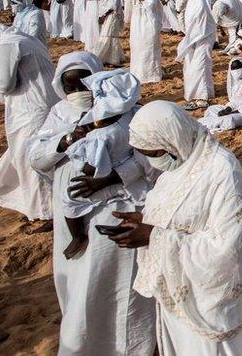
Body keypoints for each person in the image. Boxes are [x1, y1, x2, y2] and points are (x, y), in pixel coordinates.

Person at [29, 52, 156, 355]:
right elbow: (36, 157)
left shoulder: (126, 111)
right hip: (72, 209)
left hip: (116, 210)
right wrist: (66, 141)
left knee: (118, 283)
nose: (77, 94)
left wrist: (112, 178)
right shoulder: (59, 114)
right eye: (70, 87)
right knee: (79, 286)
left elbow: (148, 161)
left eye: (82, 85)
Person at [110, 100, 242, 355]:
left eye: (153, 154)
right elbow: (178, 212)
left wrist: (154, 237)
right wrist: (145, 221)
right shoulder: (180, 164)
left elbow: (226, 246)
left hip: (208, 299)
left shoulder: (222, 170)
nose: (152, 162)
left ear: (172, 142)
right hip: (175, 289)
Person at [60, 70, 145, 260]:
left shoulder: (103, 132)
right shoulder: (135, 114)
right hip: (136, 176)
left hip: (112, 181)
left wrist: (77, 145)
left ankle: (78, 237)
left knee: (69, 197)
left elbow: (93, 168)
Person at [0, 24, 56, 221]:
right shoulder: (24, 38)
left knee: (32, 160)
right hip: (44, 104)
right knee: (29, 155)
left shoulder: (7, 44)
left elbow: (4, 83)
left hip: (31, 109)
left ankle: (44, 213)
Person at [200, 58, 242, 133]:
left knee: (228, 119)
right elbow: (235, 101)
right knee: (211, 109)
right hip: (238, 109)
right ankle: (207, 123)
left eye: (238, 68)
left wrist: (233, 111)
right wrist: (228, 109)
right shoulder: (237, 83)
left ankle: (205, 125)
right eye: (233, 68)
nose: (236, 70)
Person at [177, 0, 216, 110]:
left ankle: (202, 99)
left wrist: (188, 42)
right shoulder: (193, 1)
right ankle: (205, 93)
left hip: (202, 39)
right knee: (193, 66)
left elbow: (201, 27)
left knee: (199, 67)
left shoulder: (200, 2)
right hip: (193, 40)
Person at [126, 0, 163, 84]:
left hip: (148, 24)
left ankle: (150, 75)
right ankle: (138, 73)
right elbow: (133, 0)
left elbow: (150, 5)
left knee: (148, 49)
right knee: (138, 47)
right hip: (139, 23)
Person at [93, 0, 125, 68]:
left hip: (111, 14)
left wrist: (104, 15)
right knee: (108, 34)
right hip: (104, 14)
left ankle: (104, 58)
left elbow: (114, 4)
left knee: (108, 34)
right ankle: (109, 57)